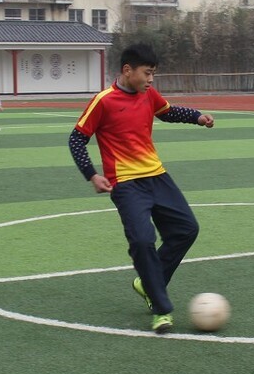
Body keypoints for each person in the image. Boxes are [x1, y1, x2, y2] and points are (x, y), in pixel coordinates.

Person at [68, 43, 214, 334]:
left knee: (186, 229)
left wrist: (197, 116)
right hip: (125, 184)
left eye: (153, 74)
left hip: (157, 176)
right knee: (143, 240)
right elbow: (76, 139)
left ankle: (147, 281)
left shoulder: (148, 95)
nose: (151, 80)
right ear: (127, 70)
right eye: (147, 73)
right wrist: (92, 175)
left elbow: (167, 112)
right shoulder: (104, 100)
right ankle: (161, 310)